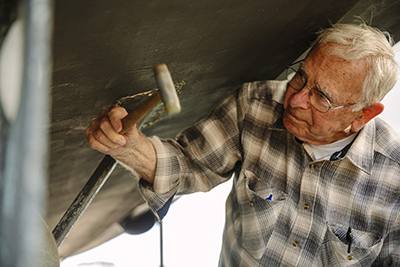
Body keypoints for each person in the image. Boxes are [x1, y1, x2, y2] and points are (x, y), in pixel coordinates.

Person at [86, 23, 400, 266]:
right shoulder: (255, 104)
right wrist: (129, 146)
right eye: (301, 77)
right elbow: (188, 165)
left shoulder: (395, 181)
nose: (295, 99)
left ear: (362, 114)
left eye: (321, 97)